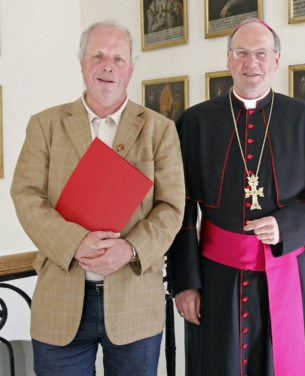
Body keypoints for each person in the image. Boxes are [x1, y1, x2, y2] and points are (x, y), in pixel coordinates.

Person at [169, 18, 305, 376]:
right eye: (241, 53)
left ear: (276, 60)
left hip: (286, 270)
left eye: (260, 53)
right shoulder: (195, 122)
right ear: (227, 59)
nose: (250, 62)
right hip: (216, 277)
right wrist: (186, 283)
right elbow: (181, 211)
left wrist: (286, 225)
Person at [10, 20, 185, 375]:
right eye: (99, 56)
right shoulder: (45, 125)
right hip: (61, 297)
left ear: (131, 68)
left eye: (119, 59)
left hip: (134, 300)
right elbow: (26, 194)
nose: (108, 66)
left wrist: (130, 249)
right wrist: (74, 242)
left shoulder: (160, 129)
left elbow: (171, 207)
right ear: (82, 63)